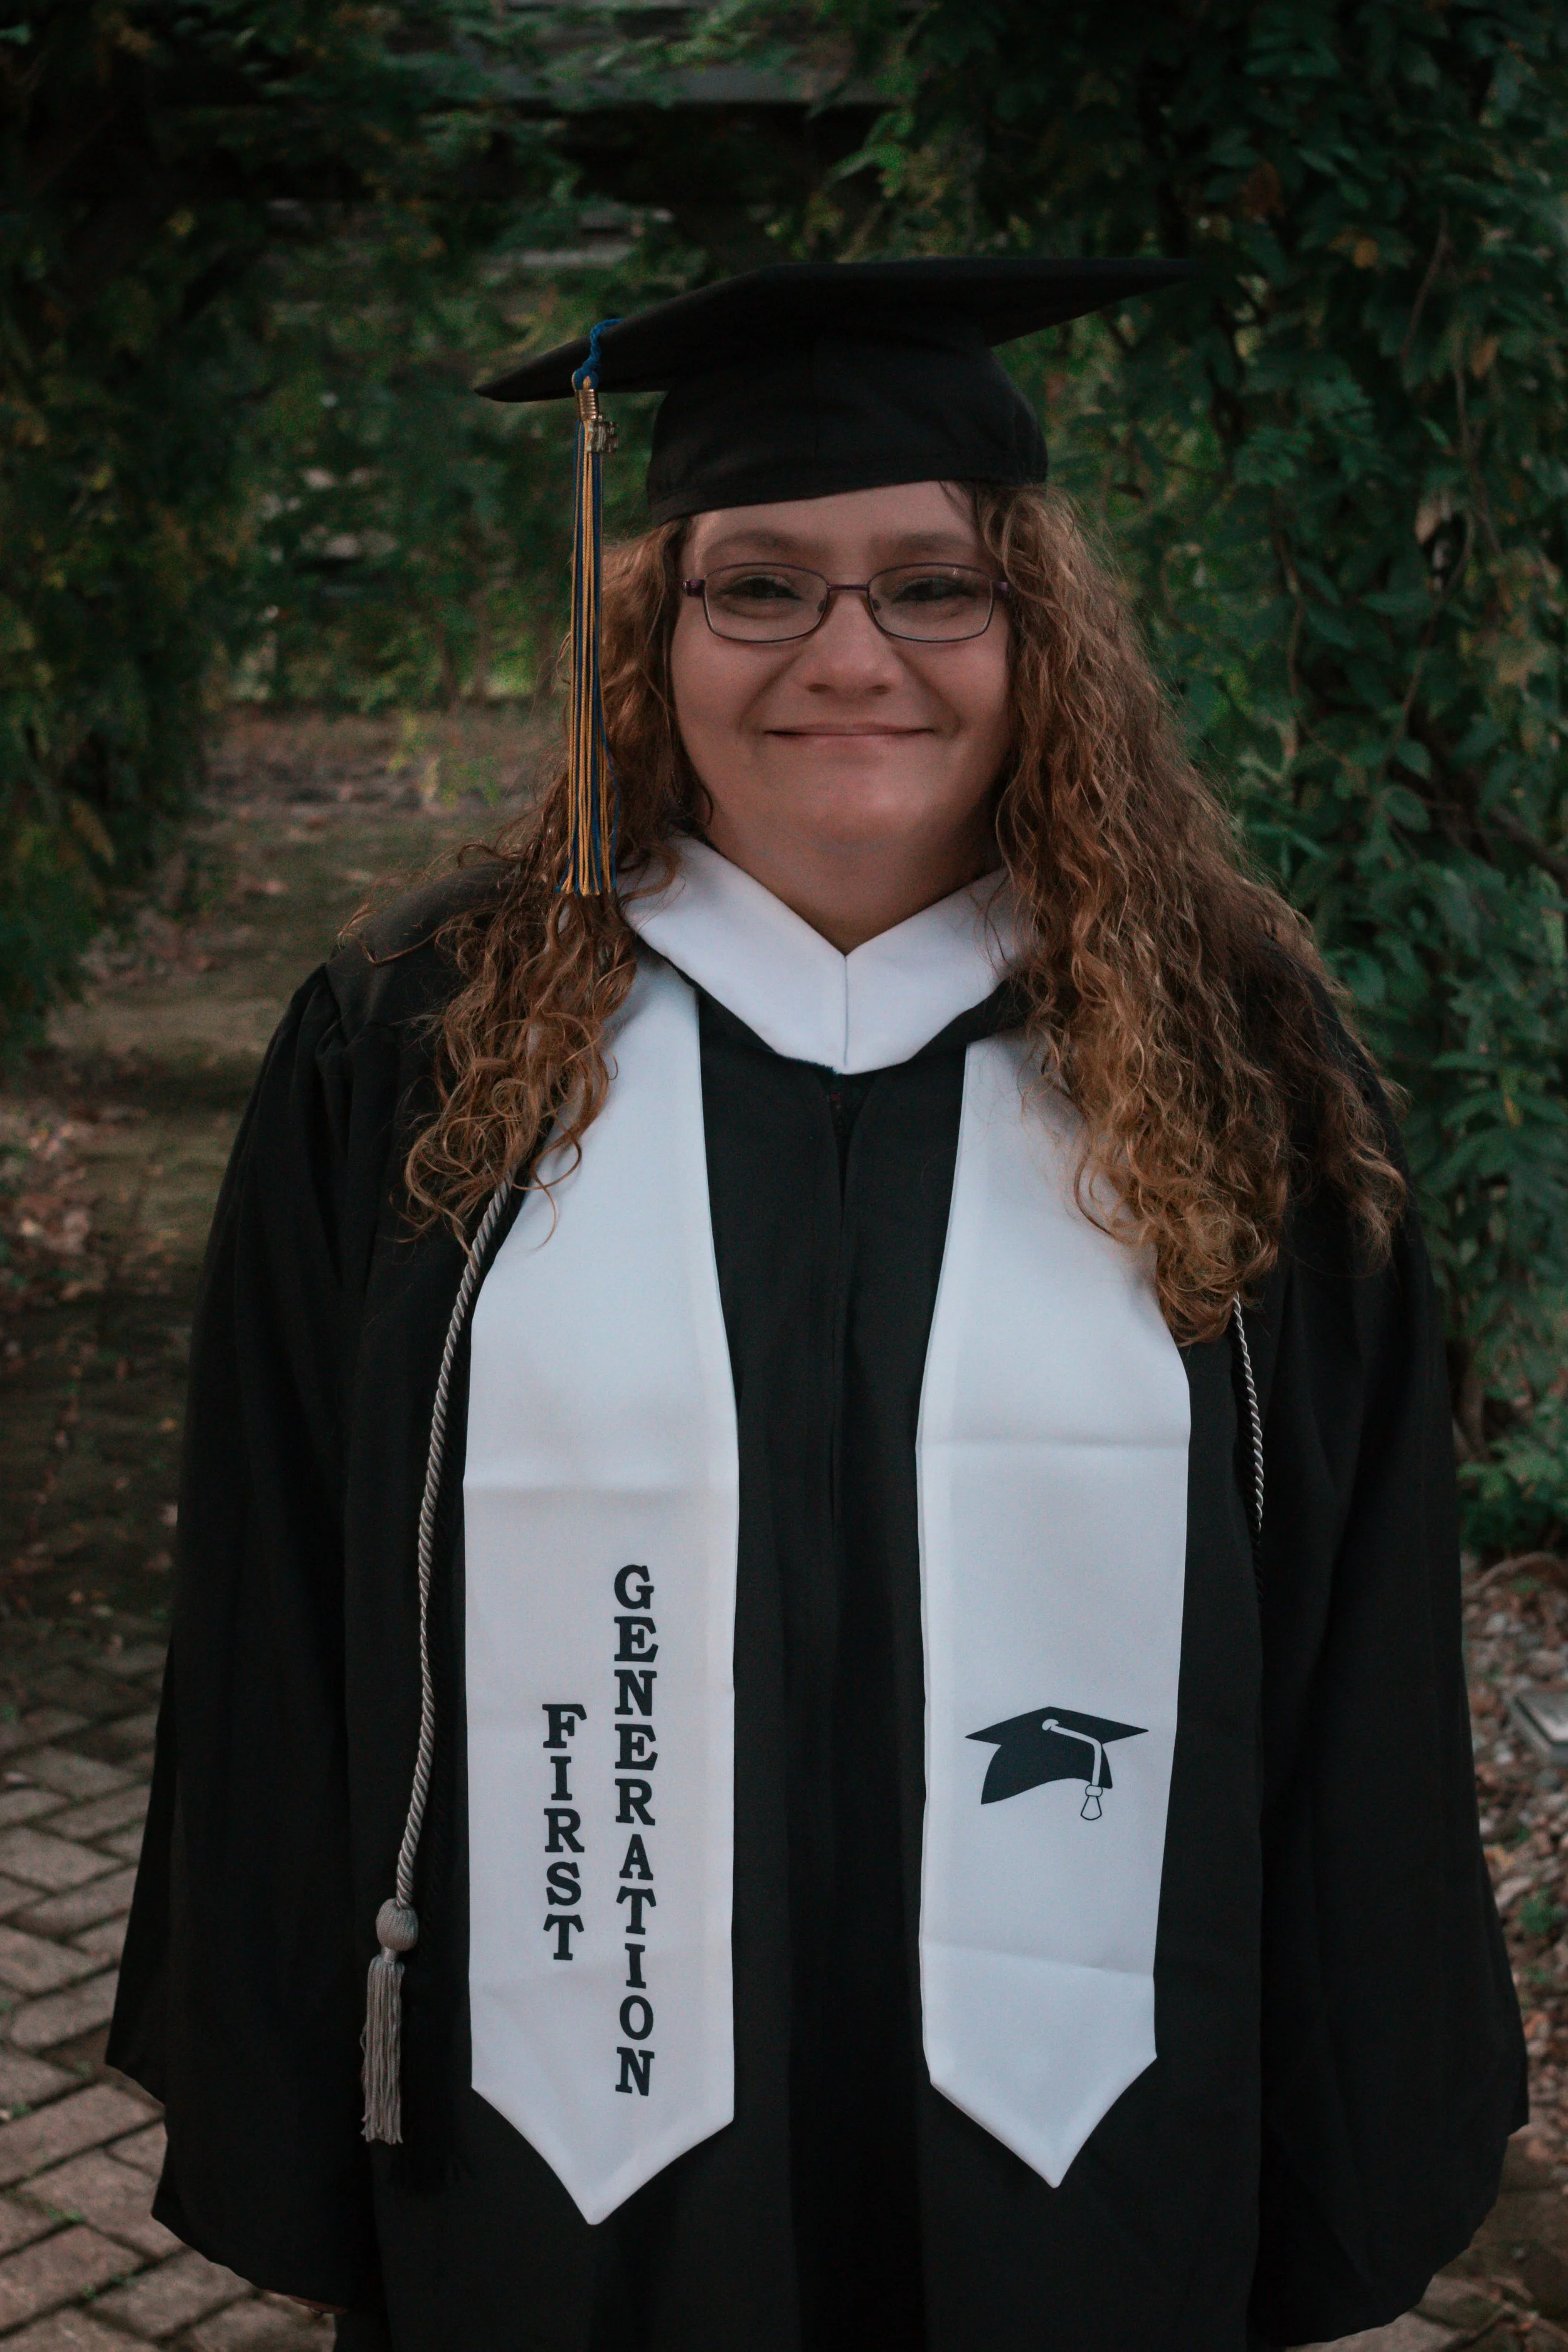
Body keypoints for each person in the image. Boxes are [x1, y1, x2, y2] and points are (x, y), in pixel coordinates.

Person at [109, 258, 1525, 2352]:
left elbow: (1352, 1641)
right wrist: (290, 2083)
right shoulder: (415, 1045)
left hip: (1092, 2154)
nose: (847, 654)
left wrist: (1345, 2119)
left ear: (1034, 629)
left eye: (930, 587)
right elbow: (279, 1601)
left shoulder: (1234, 1058)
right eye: (757, 586)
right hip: (562, 2176)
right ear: (652, 634)